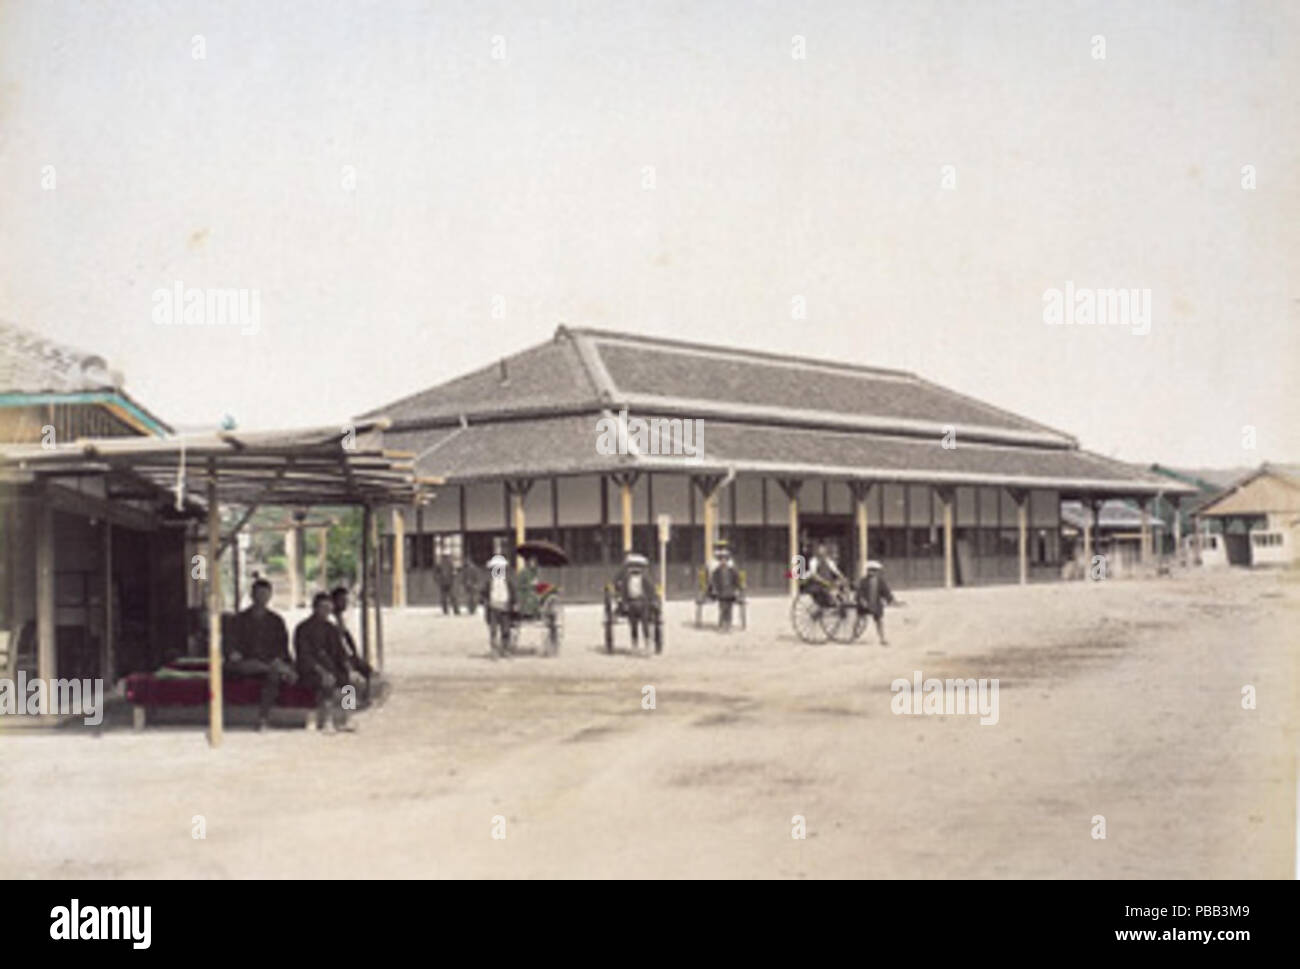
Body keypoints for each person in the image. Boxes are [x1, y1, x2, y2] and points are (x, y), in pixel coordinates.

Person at [226, 578, 293, 729]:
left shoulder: (276, 621)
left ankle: (263, 718)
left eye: (265, 594)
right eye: (259, 594)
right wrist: (233, 652)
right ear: (252, 595)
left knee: (274, 675)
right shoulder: (238, 619)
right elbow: (230, 644)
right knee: (240, 666)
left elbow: (282, 646)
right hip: (245, 662)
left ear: (270, 596)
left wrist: (279, 659)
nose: (262, 597)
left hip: (268, 662)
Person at [294, 592, 354, 731]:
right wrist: (322, 671)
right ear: (315, 608)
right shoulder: (303, 628)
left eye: (329, 608)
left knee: (348, 683)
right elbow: (304, 655)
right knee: (326, 682)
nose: (326, 611)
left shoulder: (331, 629)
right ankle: (328, 720)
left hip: (331, 667)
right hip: (310, 670)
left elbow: (340, 652)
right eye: (323, 608)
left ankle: (348, 717)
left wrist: (349, 669)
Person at [330, 585, 381, 703]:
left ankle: (363, 698)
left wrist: (354, 654)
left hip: (346, 654)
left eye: (345, 600)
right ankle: (349, 704)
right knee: (348, 675)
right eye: (342, 600)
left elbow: (346, 639)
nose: (345, 603)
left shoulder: (339, 618)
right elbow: (336, 643)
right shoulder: (331, 620)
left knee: (366, 670)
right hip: (336, 656)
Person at [614, 551, 653, 646]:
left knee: (644, 622)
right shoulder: (626, 579)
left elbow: (651, 589)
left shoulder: (644, 578)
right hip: (632, 602)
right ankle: (635, 640)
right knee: (633, 623)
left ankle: (646, 640)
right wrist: (624, 603)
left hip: (643, 602)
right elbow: (623, 591)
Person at [855, 560, 897, 645]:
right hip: (865, 604)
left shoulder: (880, 581)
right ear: (867, 571)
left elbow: (886, 592)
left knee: (879, 621)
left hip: (876, 605)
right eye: (870, 570)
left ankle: (882, 638)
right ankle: (854, 634)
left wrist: (891, 600)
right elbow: (859, 593)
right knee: (859, 619)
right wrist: (862, 600)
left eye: (874, 570)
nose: (872, 572)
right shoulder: (863, 581)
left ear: (877, 572)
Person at [482, 554, 515, 657]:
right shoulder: (489, 582)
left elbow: (513, 593)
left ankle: (505, 650)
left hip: (505, 608)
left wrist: (514, 603)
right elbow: (483, 593)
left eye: (500, 568)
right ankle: (494, 651)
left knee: (505, 630)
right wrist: (485, 601)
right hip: (493, 608)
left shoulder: (508, 581)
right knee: (493, 631)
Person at [707, 544, 742, 631]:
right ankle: (722, 625)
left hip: (730, 593)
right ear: (720, 561)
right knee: (722, 609)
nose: (723, 561)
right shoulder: (717, 571)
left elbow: (737, 580)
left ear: (727, 561)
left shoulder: (732, 570)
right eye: (722, 560)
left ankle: (728, 625)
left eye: (725, 560)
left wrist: (737, 589)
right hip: (721, 592)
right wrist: (714, 590)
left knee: (729, 609)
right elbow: (714, 581)